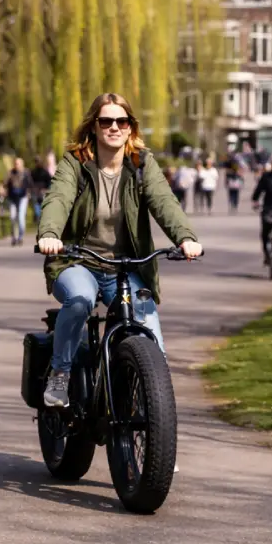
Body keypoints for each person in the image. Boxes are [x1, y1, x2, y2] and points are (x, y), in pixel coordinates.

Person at [35, 93, 203, 407]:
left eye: (121, 121)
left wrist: (185, 237)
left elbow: (164, 201)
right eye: (106, 121)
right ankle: (60, 373)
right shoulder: (75, 163)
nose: (114, 127)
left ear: (130, 128)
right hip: (78, 261)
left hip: (124, 267)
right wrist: (50, 234)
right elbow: (58, 199)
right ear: (94, 126)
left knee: (146, 320)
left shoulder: (141, 164)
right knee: (80, 300)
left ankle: (153, 401)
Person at [4, 158, 33, 246]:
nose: (17, 165)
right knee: (12, 217)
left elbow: (30, 184)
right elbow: (5, 183)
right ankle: (14, 237)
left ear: (22, 164)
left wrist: (29, 193)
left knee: (21, 217)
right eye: (15, 163)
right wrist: (2, 189)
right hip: (12, 198)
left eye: (18, 163)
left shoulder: (26, 173)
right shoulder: (10, 173)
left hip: (23, 198)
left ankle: (20, 237)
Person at [30, 154, 53, 224]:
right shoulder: (33, 172)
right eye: (36, 162)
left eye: (38, 161)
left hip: (43, 193)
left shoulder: (45, 172)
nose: (37, 163)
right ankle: (38, 218)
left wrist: (46, 189)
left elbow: (50, 182)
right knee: (36, 208)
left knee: (43, 207)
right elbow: (30, 182)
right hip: (36, 193)